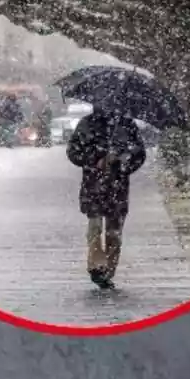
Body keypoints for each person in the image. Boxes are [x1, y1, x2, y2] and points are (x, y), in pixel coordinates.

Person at [66, 107, 147, 289]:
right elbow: (73, 152)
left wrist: (121, 163)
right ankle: (96, 265)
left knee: (114, 233)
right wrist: (95, 159)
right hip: (93, 186)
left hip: (117, 188)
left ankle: (108, 270)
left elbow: (139, 154)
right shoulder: (87, 124)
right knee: (94, 228)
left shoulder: (127, 125)